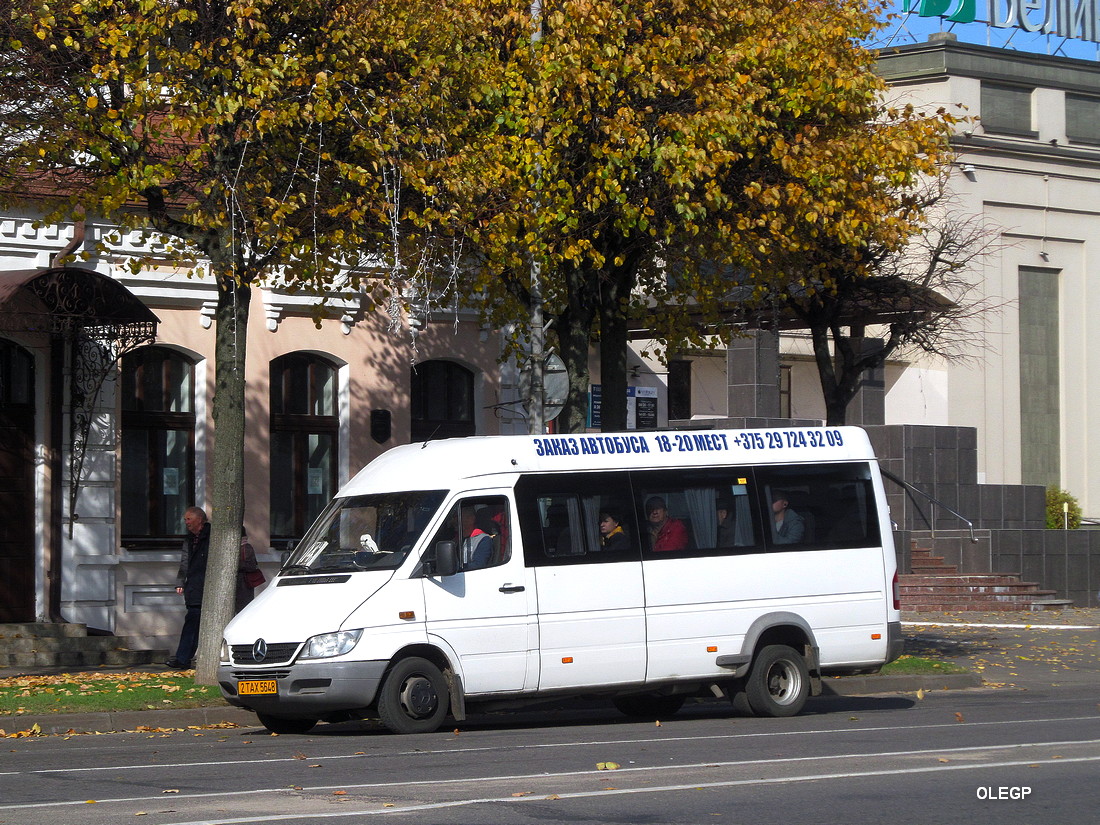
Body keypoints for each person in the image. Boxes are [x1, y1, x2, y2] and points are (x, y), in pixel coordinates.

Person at [166, 506, 210, 669]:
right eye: (185, 519)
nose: (186, 523)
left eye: (189, 519)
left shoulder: (211, 536)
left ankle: (183, 658)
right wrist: (180, 582)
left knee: (193, 622)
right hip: (193, 587)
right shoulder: (189, 539)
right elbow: (184, 561)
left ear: (199, 519)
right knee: (194, 622)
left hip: (205, 587)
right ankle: (184, 658)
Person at [236, 528, 261, 614]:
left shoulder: (246, 547)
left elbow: (251, 565)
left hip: (244, 583)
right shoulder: (240, 547)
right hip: (240, 583)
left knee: (243, 609)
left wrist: (236, 566)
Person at [461, 505, 494, 570]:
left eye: (460, 517)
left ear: (471, 519)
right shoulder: (459, 539)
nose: (454, 521)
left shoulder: (484, 539)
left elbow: (478, 565)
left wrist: (457, 567)